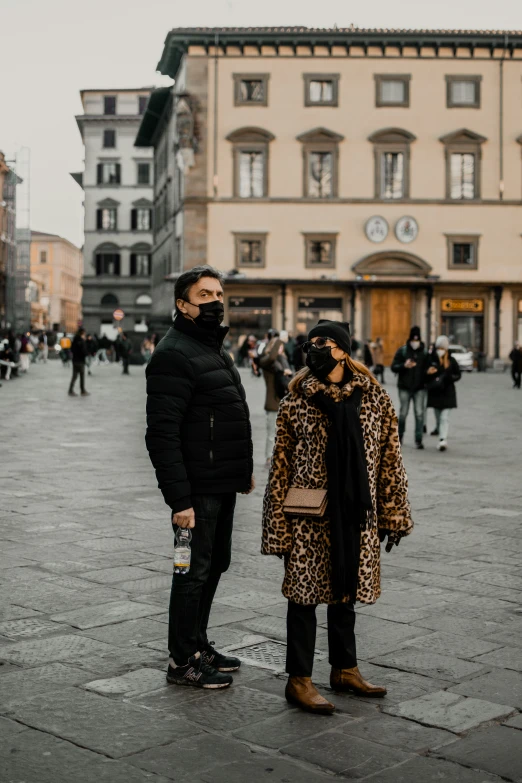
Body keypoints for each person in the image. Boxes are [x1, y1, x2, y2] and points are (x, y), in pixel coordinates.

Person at [262, 320, 413, 715]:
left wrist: (394, 512)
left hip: (355, 511)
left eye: (323, 342)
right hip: (308, 513)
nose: (313, 348)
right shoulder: (296, 398)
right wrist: (276, 527)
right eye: (309, 342)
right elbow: (280, 465)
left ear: (343, 350)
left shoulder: (375, 398)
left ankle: (345, 669)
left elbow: (390, 460)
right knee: (303, 596)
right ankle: (299, 680)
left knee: (346, 591)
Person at [145, 264, 255, 690]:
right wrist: (180, 501)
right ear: (182, 305)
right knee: (191, 571)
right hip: (196, 489)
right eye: (204, 295)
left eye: (217, 294)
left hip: (220, 482)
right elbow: (162, 433)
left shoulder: (212, 348)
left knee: (214, 565)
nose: (214, 302)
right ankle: (181, 660)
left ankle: (198, 644)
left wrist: (239, 474)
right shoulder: (173, 353)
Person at [391, 326, 428, 449]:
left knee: (419, 414)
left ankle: (418, 439)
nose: (415, 342)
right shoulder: (403, 351)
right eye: (413, 339)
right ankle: (400, 437)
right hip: (405, 387)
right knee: (403, 413)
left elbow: (428, 368)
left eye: (417, 340)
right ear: (410, 339)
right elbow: (393, 366)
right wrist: (404, 365)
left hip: (420, 387)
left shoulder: (425, 352)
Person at [260, 336, 293, 470]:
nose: (280, 348)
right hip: (273, 402)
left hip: (285, 401)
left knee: (285, 432)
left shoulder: (283, 361)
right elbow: (272, 357)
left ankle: (282, 456)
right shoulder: (267, 362)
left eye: (281, 346)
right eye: (277, 346)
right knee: (271, 433)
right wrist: (279, 339)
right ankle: (269, 457)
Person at [425, 336, 461, 452]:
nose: (440, 350)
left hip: (448, 392)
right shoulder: (431, 359)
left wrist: (450, 377)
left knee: (444, 417)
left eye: (442, 348)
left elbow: (458, 374)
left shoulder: (451, 360)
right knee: (438, 417)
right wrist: (428, 372)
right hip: (435, 393)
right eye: (438, 347)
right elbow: (424, 374)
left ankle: (442, 439)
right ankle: (439, 432)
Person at [68, 328, 90, 397]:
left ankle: (70, 390)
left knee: (74, 376)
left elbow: (71, 349)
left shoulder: (74, 340)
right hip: (80, 361)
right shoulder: (81, 341)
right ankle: (82, 390)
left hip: (74, 360)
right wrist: (87, 353)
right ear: (82, 333)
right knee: (82, 376)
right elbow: (84, 351)